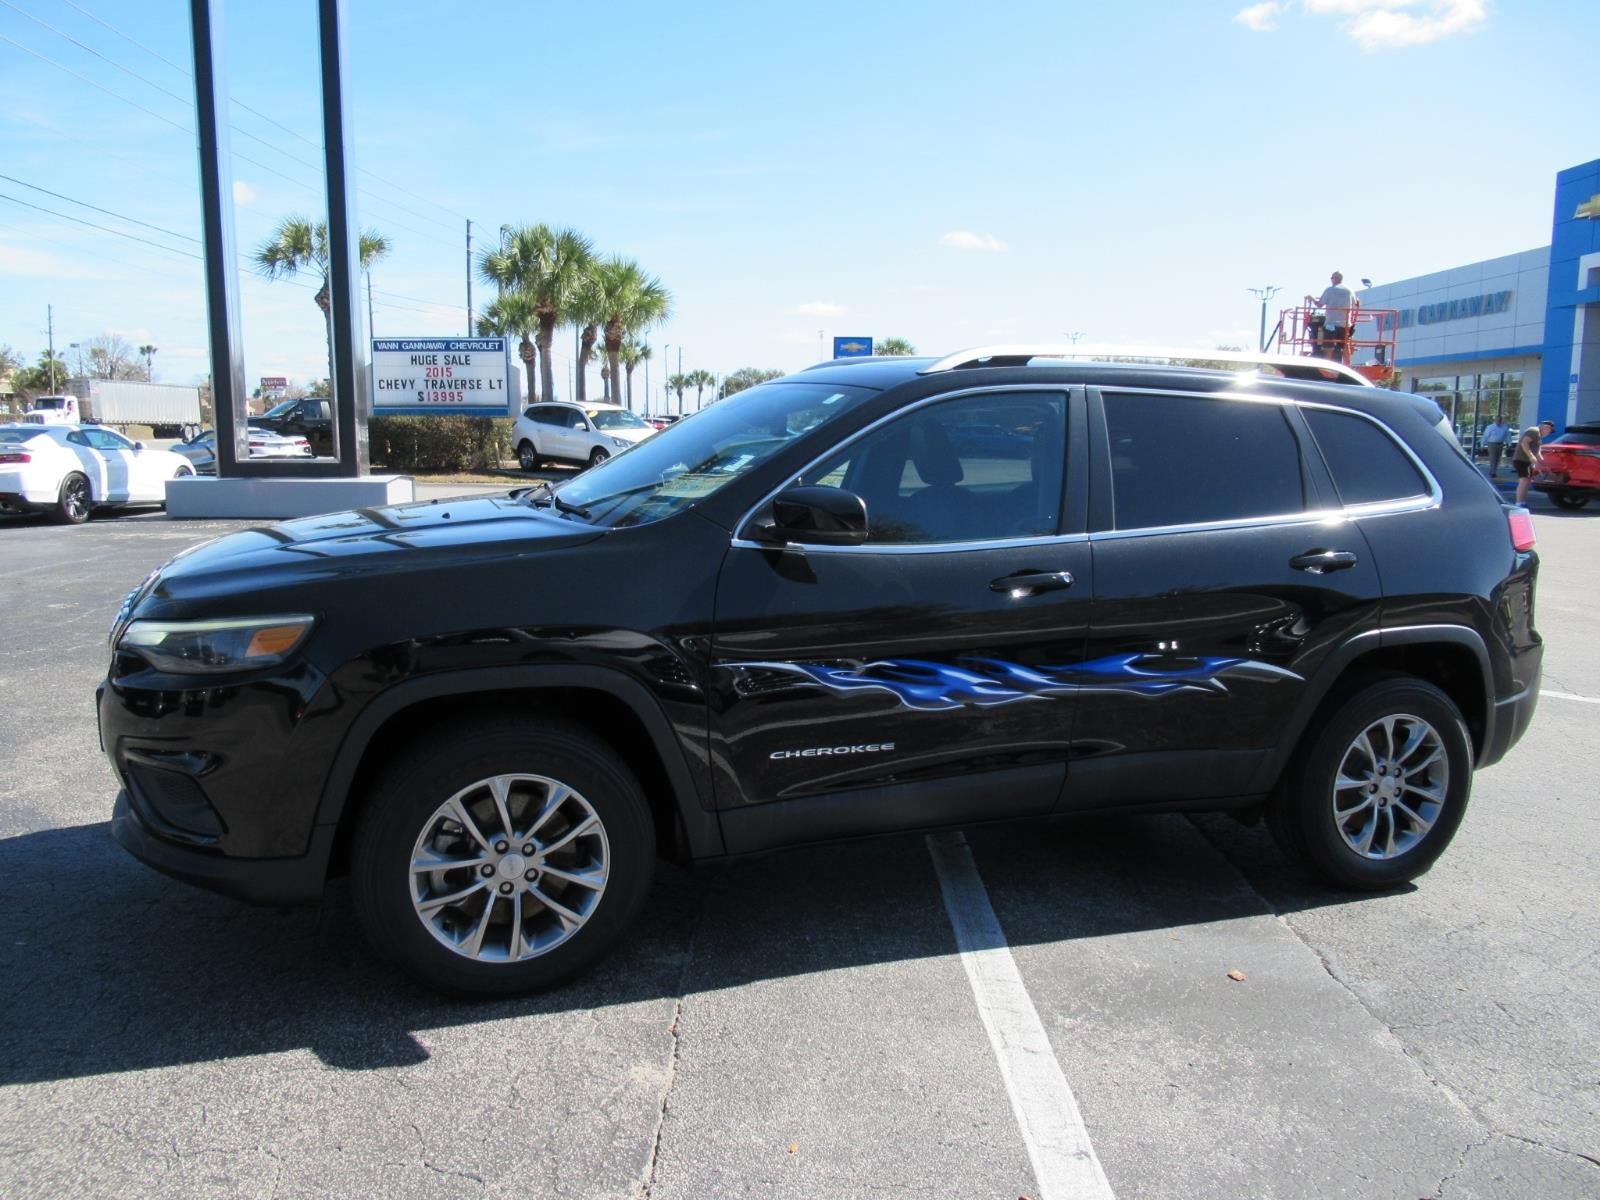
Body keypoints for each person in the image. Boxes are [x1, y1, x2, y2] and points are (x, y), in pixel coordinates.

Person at [1306, 271, 1355, 362]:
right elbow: (1356, 304)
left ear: (1335, 279)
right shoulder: (1350, 290)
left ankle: (1327, 369)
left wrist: (1311, 298)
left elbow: (1319, 304)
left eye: (1332, 278)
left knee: (1328, 347)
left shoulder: (1329, 290)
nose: (1331, 280)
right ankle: (1348, 368)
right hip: (1346, 325)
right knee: (1345, 346)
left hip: (1331, 325)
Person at [1513, 423, 1544, 505]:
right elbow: (1524, 443)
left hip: (1527, 461)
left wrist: (1543, 464)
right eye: (1550, 430)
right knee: (1524, 480)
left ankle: (1522, 501)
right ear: (1546, 427)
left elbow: (1537, 452)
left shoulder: (1539, 436)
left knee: (1527, 480)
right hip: (1522, 459)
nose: (1549, 433)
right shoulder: (1534, 431)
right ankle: (1519, 502)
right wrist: (1531, 457)